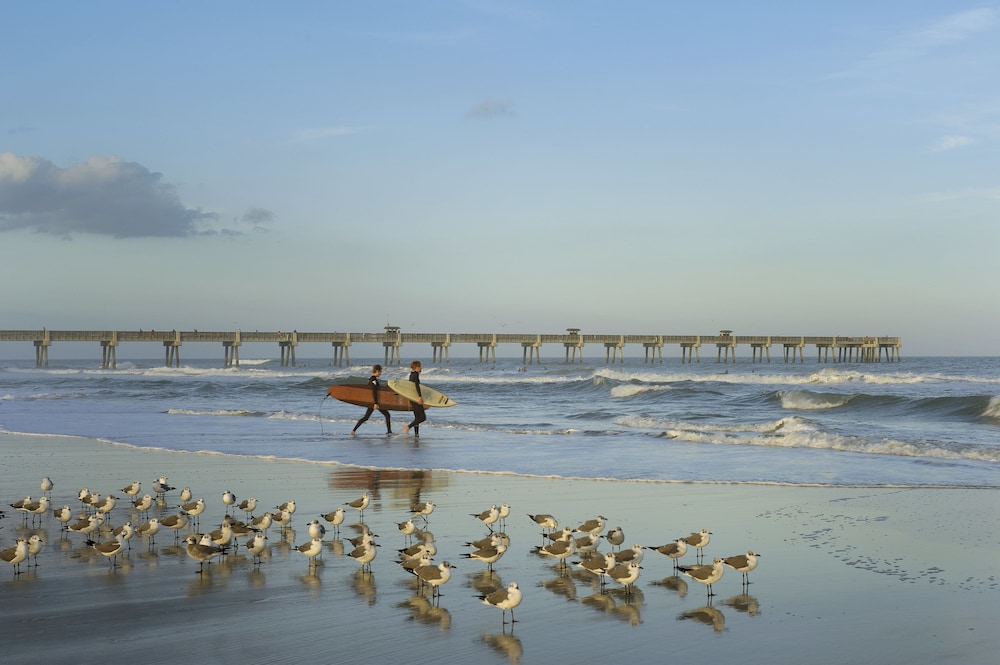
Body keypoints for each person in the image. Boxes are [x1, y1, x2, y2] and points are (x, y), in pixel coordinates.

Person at [351, 365, 392, 435]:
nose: (380, 373)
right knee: (367, 417)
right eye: (380, 372)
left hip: (374, 401)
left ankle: (389, 431)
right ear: (377, 371)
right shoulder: (373, 380)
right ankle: (353, 430)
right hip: (374, 402)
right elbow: (374, 391)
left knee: (384, 415)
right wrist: (375, 403)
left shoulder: (372, 379)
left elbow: (377, 390)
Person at [402, 360, 426, 437]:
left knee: (417, 418)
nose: (421, 368)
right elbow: (416, 386)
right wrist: (419, 397)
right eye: (420, 366)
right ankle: (408, 427)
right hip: (415, 398)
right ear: (417, 367)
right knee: (422, 417)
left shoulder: (411, 375)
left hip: (412, 398)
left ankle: (416, 434)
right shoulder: (415, 375)